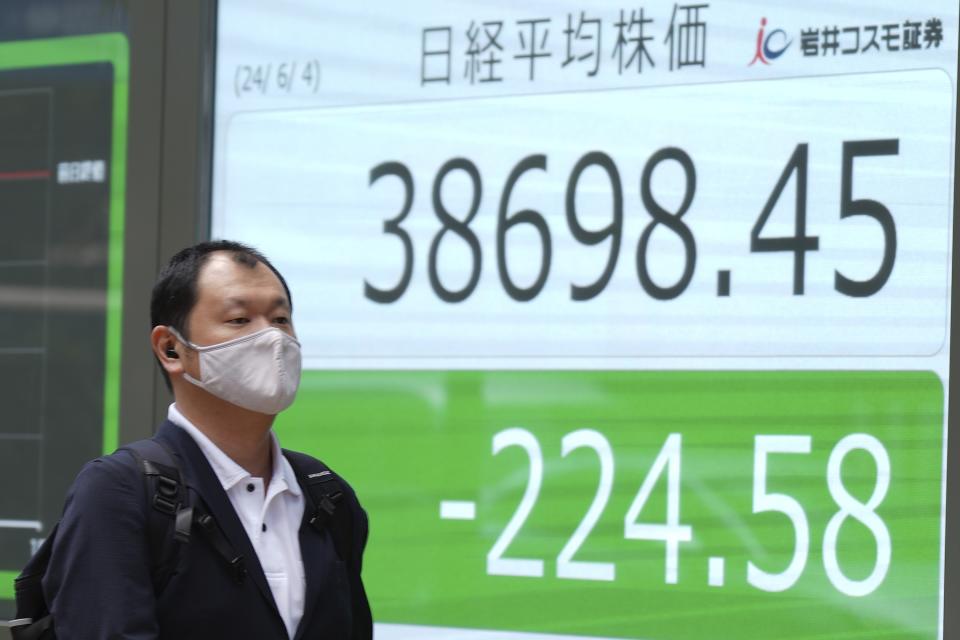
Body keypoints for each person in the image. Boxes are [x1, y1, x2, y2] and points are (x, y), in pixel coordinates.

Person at [41, 240, 372, 639]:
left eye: (281, 319)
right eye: (239, 319)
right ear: (171, 348)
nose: (272, 339)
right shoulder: (118, 492)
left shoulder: (326, 494)